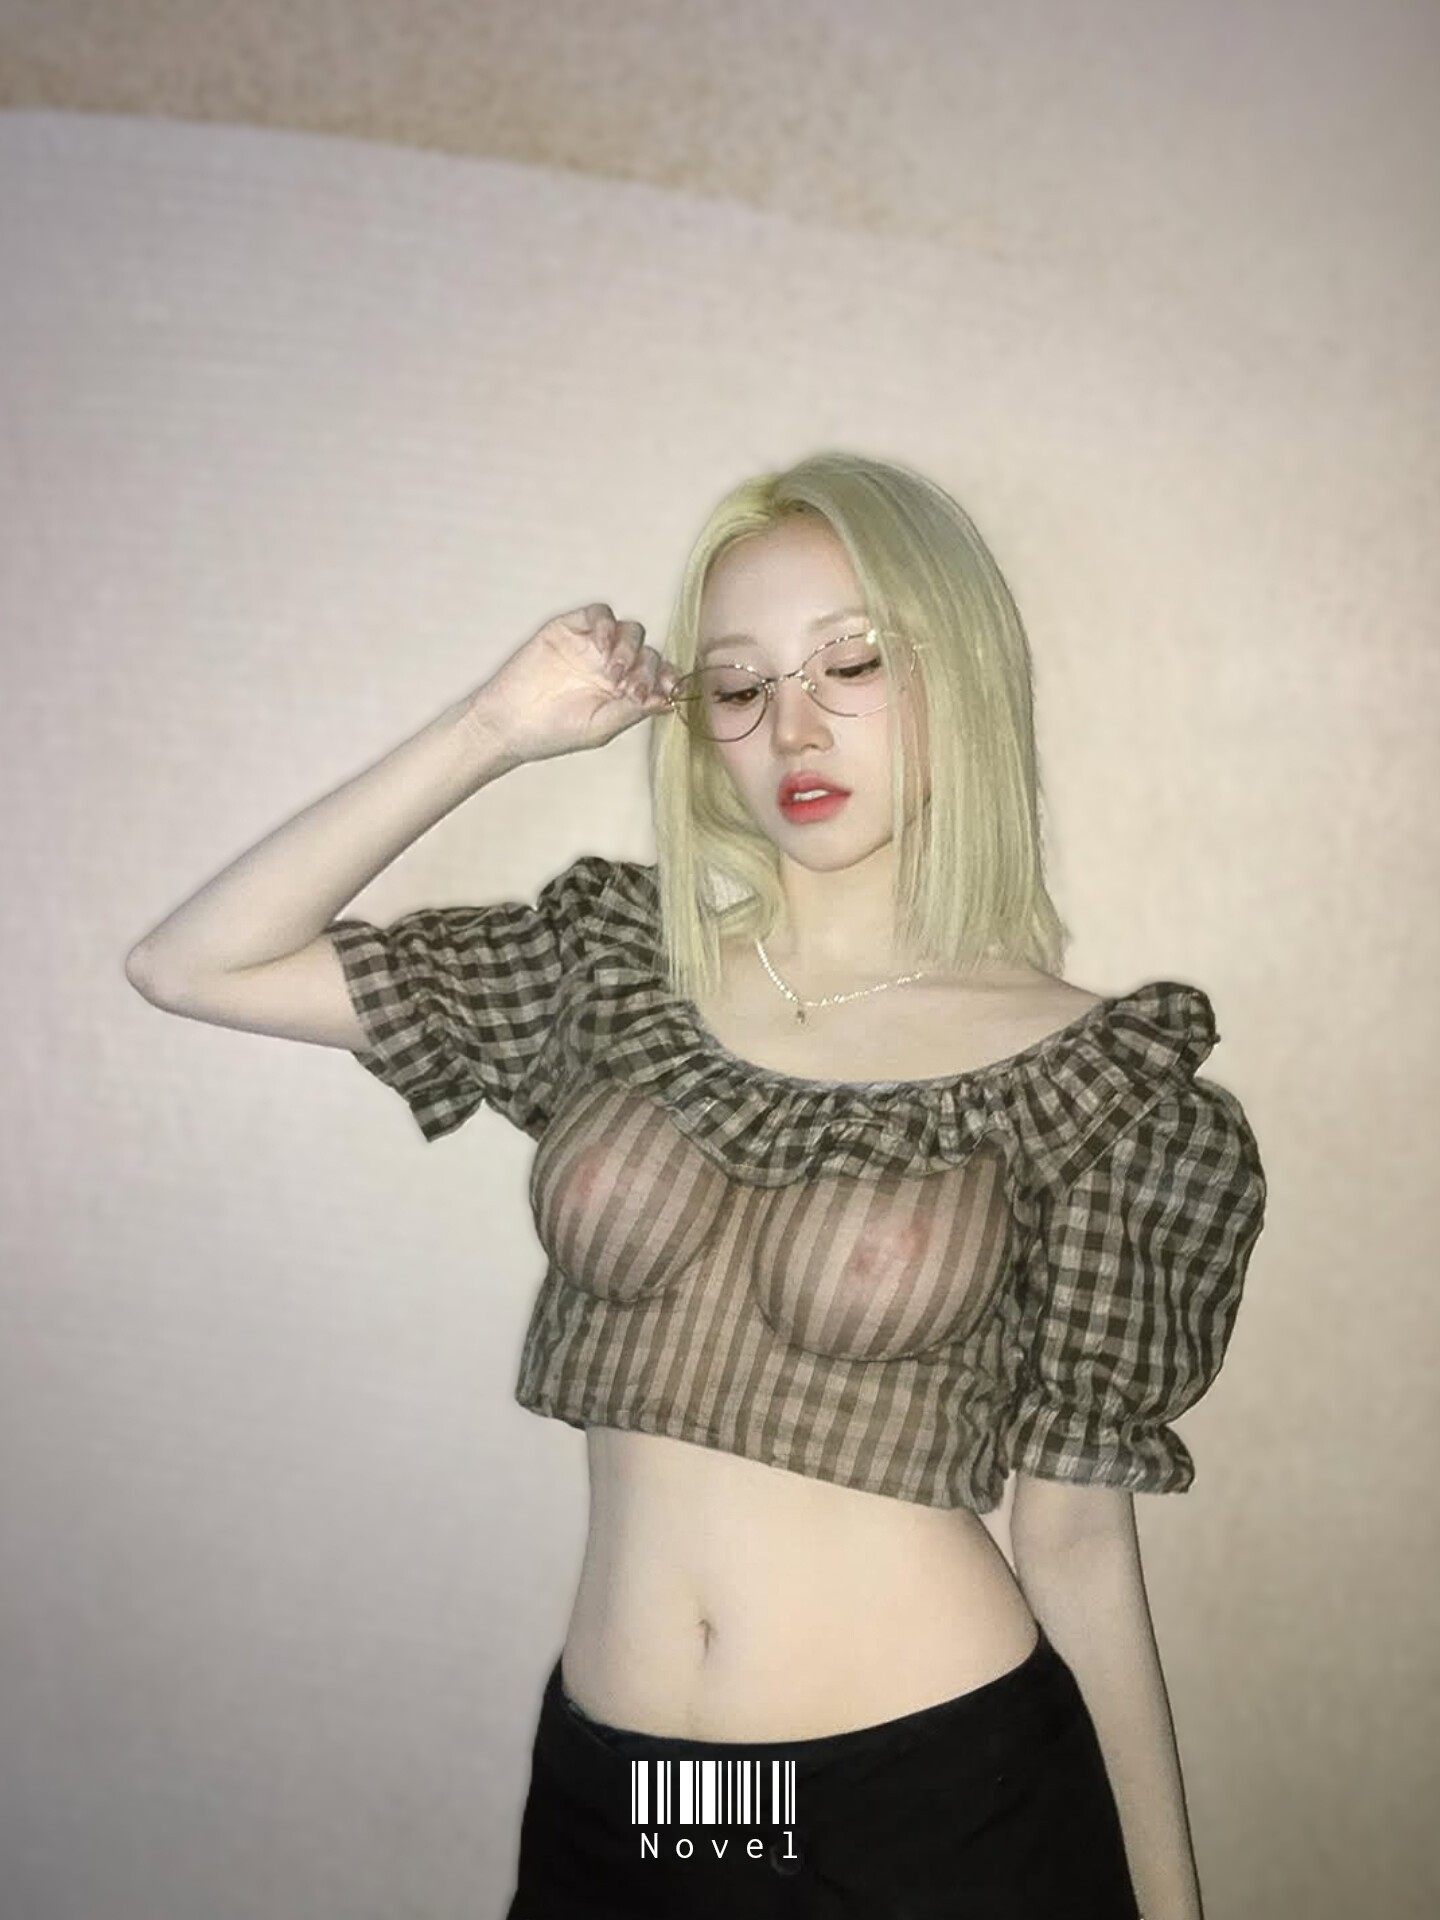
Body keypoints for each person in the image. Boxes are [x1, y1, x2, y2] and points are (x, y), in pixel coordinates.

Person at [126, 450, 1267, 1920]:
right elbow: (193, 964)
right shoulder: (615, 977)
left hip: (931, 1794)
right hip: (632, 1799)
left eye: (852, 662)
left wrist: (1168, 1908)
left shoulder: (1095, 1084)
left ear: (960, 673)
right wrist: (492, 730)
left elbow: (1075, 1537)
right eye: (737, 685)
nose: (792, 724)